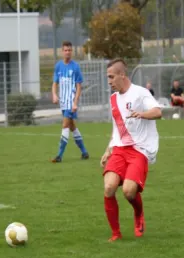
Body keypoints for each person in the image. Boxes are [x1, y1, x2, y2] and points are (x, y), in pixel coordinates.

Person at [100, 58, 162, 242]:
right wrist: (107, 150)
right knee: (109, 187)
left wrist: (142, 114)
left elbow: (158, 112)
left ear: (122, 75)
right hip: (119, 149)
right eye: (107, 78)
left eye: (111, 77)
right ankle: (116, 233)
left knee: (128, 191)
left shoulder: (140, 93)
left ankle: (138, 213)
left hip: (139, 150)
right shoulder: (113, 99)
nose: (109, 81)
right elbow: (117, 129)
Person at [51, 41, 89, 162]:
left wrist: (75, 102)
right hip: (63, 102)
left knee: (65, 125)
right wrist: (54, 95)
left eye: (69, 50)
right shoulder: (58, 66)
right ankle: (84, 152)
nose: (67, 52)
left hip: (70, 102)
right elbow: (55, 83)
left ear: (71, 52)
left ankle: (59, 155)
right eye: (65, 50)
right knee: (72, 126)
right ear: (62, 52)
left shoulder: (75, 67)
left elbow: (79, 86)